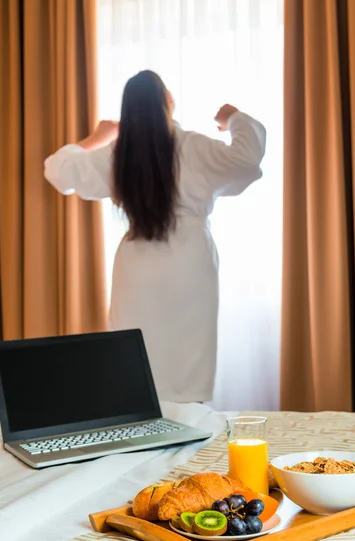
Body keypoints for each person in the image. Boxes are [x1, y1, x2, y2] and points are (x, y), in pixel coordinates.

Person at [44, 70, 266, 404]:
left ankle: (138, 424)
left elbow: (59, 170)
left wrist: (96, 136)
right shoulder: (194, 147)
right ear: (168, 102)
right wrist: (233, 117)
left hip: (137, 267)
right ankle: (190, 426)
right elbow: (247, 157)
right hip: (189, 263)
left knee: (136, 357)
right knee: (187, 361)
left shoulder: (117, 154)